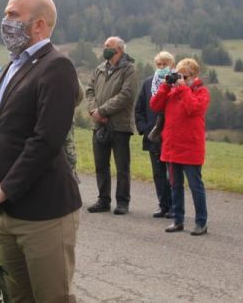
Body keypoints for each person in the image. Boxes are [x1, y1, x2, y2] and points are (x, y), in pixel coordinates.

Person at [0, 0, 81, 302]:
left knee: (51, 298)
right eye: (6, 14)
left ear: (38, 25)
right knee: (15, 298)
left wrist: (6, 188)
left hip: (44, 213)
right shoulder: (9, 68)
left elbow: (46, 140)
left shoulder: (57, 66)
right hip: (6, 212)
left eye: (13, 15)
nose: (5, 22)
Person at [150, 58, 210, 236]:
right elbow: (154, 105)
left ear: (194, 75)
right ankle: (178, 219)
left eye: (183, 76)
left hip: (190, 147)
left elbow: (193, 108)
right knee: (174, 185)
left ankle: (201, 222)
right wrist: (166, 86)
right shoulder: (173, 91)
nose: (180, 79)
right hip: (172, 146)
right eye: (178, 75)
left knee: (195, 186)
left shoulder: (201, 92)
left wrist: (182, 87)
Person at [85, 36, 138, 215]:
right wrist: (94, 111)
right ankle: (103, 200)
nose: (104, 48)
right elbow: (89, 91)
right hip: (99, 125)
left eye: (108, 46)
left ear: (119, 50)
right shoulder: (99, 69)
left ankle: (122, 202)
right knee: (101, 165)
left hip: (120, 126)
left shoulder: (129, 69)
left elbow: (126, 95)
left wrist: (103, 111)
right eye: (104, 45)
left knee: (122, 166)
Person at [135, 51, 175, 218]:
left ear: (171, 65)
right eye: (158, 64)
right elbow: (139, 109)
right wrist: (144, 127)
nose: (161, 67)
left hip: (170, 137)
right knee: (158, 173)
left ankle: (174, 206)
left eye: (164, 64)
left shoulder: (176, 84)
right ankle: (163, 205)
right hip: (152, 136)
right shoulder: (147, 84)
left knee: (171, 174)